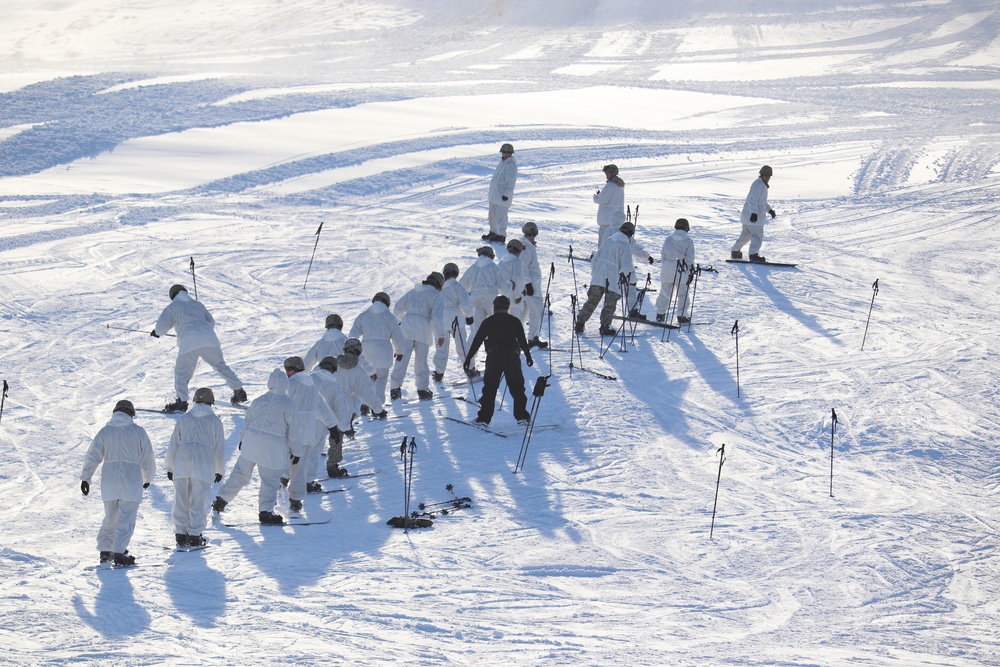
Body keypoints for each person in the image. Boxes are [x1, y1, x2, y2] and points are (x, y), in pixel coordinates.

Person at [213, 368, 295, 525]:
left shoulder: (259, 400)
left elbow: (247, 423)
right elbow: (295, 431)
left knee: (240, 474)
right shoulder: (289, 404)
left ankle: (220, 500)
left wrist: (243, 440)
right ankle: (266, 511)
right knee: (270, 481)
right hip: (272, 449)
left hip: (251, 443)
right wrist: (296, 451)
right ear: (285, 384)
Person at [80, 400, 155, 566]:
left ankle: (105, 551)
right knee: (126, 519)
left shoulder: (106, 432)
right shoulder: (138, 432)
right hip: (131, 481)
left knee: (110, 517)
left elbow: (93, 455)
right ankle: (120, 553)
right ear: (131, 413)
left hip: (110, 482)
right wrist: (147, 478)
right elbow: (148, 458)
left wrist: (86, 478)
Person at [152, 284, 247, 413]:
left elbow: (161, 328)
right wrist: (201, 330)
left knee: (182, 373)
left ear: (172, 296)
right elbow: (211, 321)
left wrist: (156, 332)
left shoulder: (173, 307)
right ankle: (239, 391)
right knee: (219, 365)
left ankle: (182, 401)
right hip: (209, 338)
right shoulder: (197, 304)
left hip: (189, 343)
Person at [165, 387, 225, 547]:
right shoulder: (215, 421)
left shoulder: (184, 418)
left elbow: (174, 444)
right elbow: (219, 448)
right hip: (204, 463)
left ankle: (180, 533)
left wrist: (171, 467)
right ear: (211, 402)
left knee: (181, 499)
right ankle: (194, 535)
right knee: (199, 500)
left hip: (182, 462)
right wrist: (219, 469)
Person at [463, 296, 533, 425]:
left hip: (494, 358)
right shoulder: (514, 321)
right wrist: (528, 356)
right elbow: (522, 341)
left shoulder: (488, 321)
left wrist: (468, 358)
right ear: (508, 307)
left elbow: (477, 340)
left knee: (490, 388)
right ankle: (522, 416)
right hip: (512, 357)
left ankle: (484, 418)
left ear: (494, 307)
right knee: (517, 387)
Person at [575, 221, 654, 336]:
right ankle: (604, 326)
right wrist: (628, 280)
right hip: (612, 280)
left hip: (598, 278)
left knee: (591, 302)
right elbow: (627, 266)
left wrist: (595, 275)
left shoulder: (608, 241)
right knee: (610, 305)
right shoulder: (625, 245)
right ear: (631, 234)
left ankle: (579, 324)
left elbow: (595, 259)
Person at [284, 355, 338, 509]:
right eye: (286, 369)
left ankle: (278, 492)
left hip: (291, 433)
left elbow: (280, 404)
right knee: (300, 469)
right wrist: (332, 425)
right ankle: (295, 501)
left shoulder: (290, 384)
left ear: (296, 369)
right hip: (307, 435)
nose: (287, 372)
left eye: (289, 369)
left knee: (283, 465)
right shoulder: (312, 386)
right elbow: (322, 407)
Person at [390, 273, 446, 401]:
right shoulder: (437, 296)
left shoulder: (413, 292)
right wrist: (440, 335)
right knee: (421, 362)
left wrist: (400, 321)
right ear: (438, 285)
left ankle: (394, 389)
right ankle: (422, 389)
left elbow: (398, 308)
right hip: (423, 330)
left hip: (407, 328)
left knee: (401, 359)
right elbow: (437, 318)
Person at [348, 292, 404, 411]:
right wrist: (399, 351)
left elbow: (353, 335)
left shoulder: (363, 315)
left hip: (366, 351)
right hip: (383, 354)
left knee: (365, 380)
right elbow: (398, 338)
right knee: (380, 381)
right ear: (387, 303)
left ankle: (364, 404)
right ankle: (377, 408)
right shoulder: (390, 317)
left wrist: (352, 351)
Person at [460, 246, 502, 377]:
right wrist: (513, 295)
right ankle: (498, 360)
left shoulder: (472, 268)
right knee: (496, 328)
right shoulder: (493, 267)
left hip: (475, 298)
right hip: (490, 298)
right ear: (491, 255)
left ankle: (469, 364)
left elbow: (462, 286)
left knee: (476, 332)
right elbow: (502, 284)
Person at [310, 356, 355, 478]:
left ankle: (286, 476)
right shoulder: (334, 386)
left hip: (299, 420)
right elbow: (341, 410)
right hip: (320, 423)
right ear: (334, 369)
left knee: (297, 449)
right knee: (313, 452)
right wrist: (345, 428)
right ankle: (307, 482)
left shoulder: (308, 379)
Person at [433, 263, 475, 383]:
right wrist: (469, 315)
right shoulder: (457, 286)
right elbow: (465, 302)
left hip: (441, 320)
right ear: (456, 274)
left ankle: (439, 373)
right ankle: (470, 368)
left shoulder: (438, 287)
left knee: (441, 347)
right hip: (456, 319)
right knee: (462, 345)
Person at [731, 165, 776, 263]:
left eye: (769, 176)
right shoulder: (758, 185)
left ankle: (735, 250)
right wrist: (754, 213)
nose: (767, 178)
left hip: (749, 217)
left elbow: (761, 201)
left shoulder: (760, 184)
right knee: (757, 236)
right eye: (766, 175)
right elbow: (752, 200)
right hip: (754, 218)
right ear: (761, 174)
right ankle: (753, 254)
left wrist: (769, 210)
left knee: (746, 235)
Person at [655, 218, 696, 324]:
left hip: (667, 267)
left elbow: (663, 254)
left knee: (665, 292)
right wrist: (691, 271)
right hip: (681, 268)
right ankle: (681, 315)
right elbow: (689, 258)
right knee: (683, 293)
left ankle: (660, 314)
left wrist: (666, 265)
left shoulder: (668, 239)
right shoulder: (688, 241)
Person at [336, 337, 388, 420]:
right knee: (356, 398)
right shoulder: (359, 371)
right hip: (349, 405)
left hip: (334, 403)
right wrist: (379, 410)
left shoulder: (335, 364)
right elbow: (368, 394)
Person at [516, 221, 547, 348]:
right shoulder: (526, 247)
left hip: (526, 285)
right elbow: (522, 267)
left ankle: (515, 337)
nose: (532, 236)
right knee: (536, 311)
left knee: (522, 312)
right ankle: (532, 338)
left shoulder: (526, 245)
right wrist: (528, 284)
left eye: (533, 234)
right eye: (530, 234)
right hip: (530, 286)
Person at [482, 143, 517, 243]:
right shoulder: (502, 163)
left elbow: (511, 181)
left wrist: (506, 194)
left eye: (508, 153)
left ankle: (501, 235)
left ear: (511, 154)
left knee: (501, 217)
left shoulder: (511, 166)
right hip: (494, 196)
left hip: (502, 197)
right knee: (492, 215)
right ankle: (493, 232)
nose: (505, 154)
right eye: (504, 152)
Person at [593, 164, 626, 249]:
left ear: (612, 173)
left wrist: (596, 196)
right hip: (616, 221)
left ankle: (600, 259)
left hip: (606, 220)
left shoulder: (610, 186)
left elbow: (601, 199)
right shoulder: (620, 186)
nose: (606, 175)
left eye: (607, 173)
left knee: (603, 243)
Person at [497, 239, 528, 307]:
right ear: (518, 251)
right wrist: (518, 295)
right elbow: (517, 278)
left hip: (501, 295)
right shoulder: (517, 261)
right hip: (512, 296)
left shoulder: (501, 261)